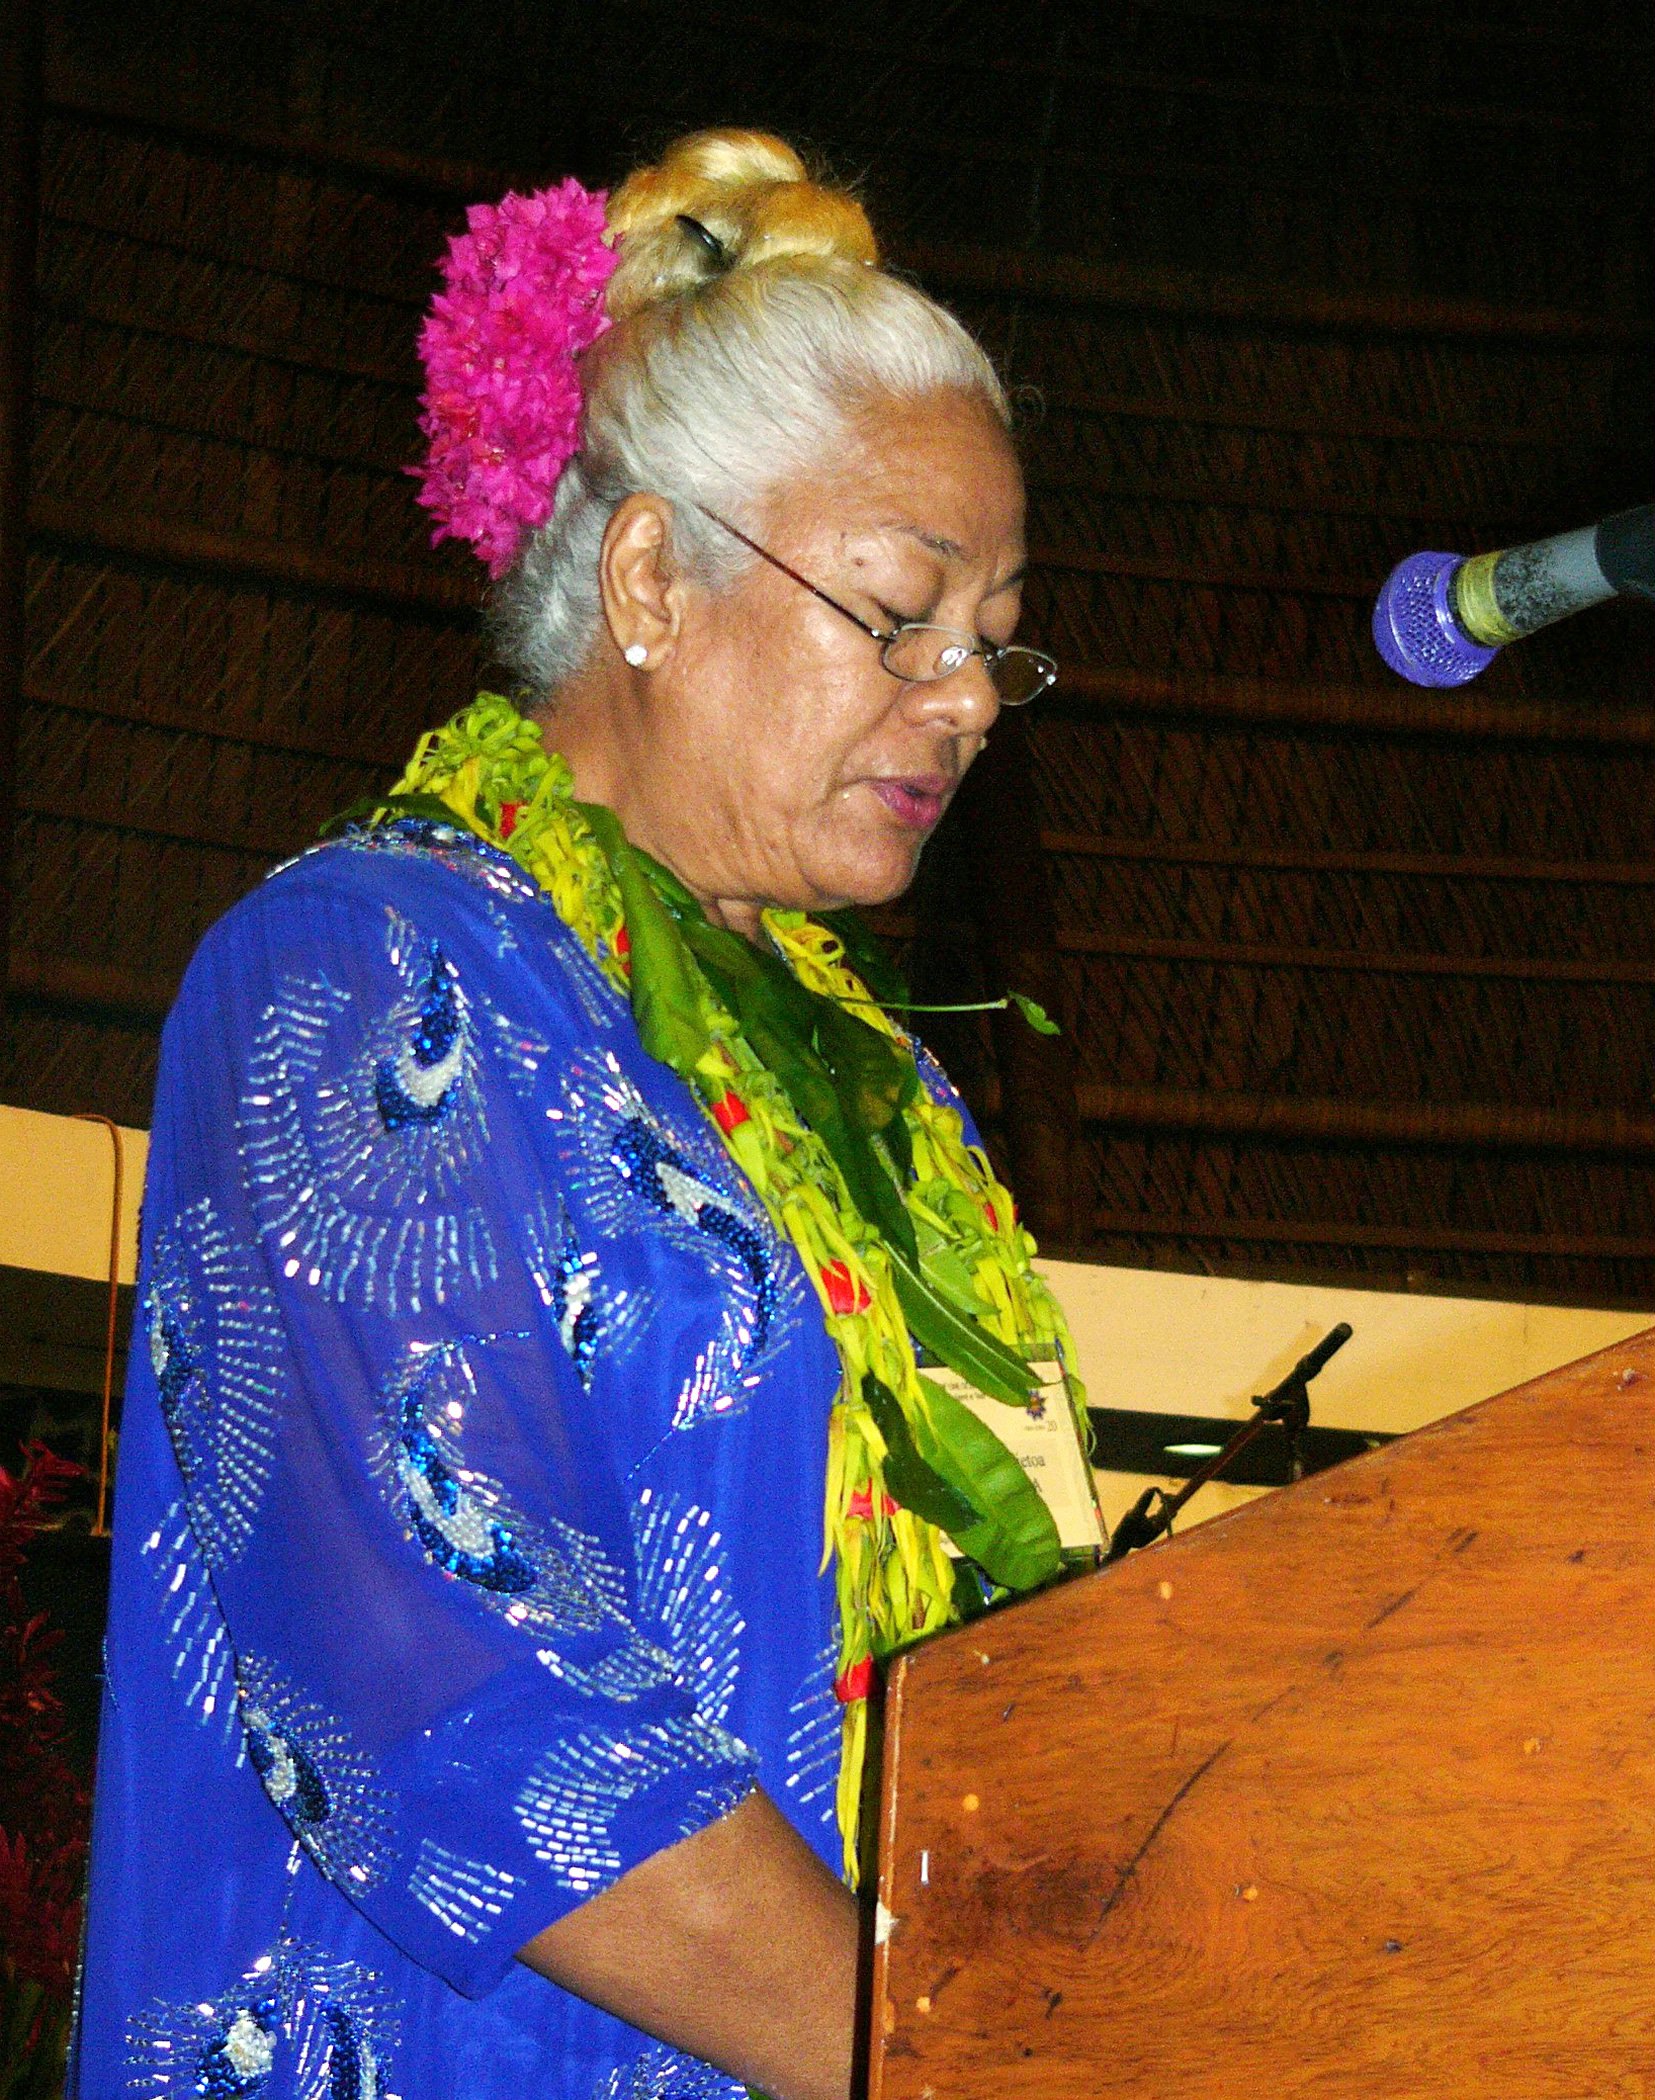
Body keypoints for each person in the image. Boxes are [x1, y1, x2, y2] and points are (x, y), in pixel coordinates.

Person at [70, 129, 1086, 2100]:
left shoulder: (881, 1097)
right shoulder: (362, 975)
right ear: (647, 579)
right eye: (901, 611)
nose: (966, 697)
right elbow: (453, 1695)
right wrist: (951, 2066)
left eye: (994, 637)